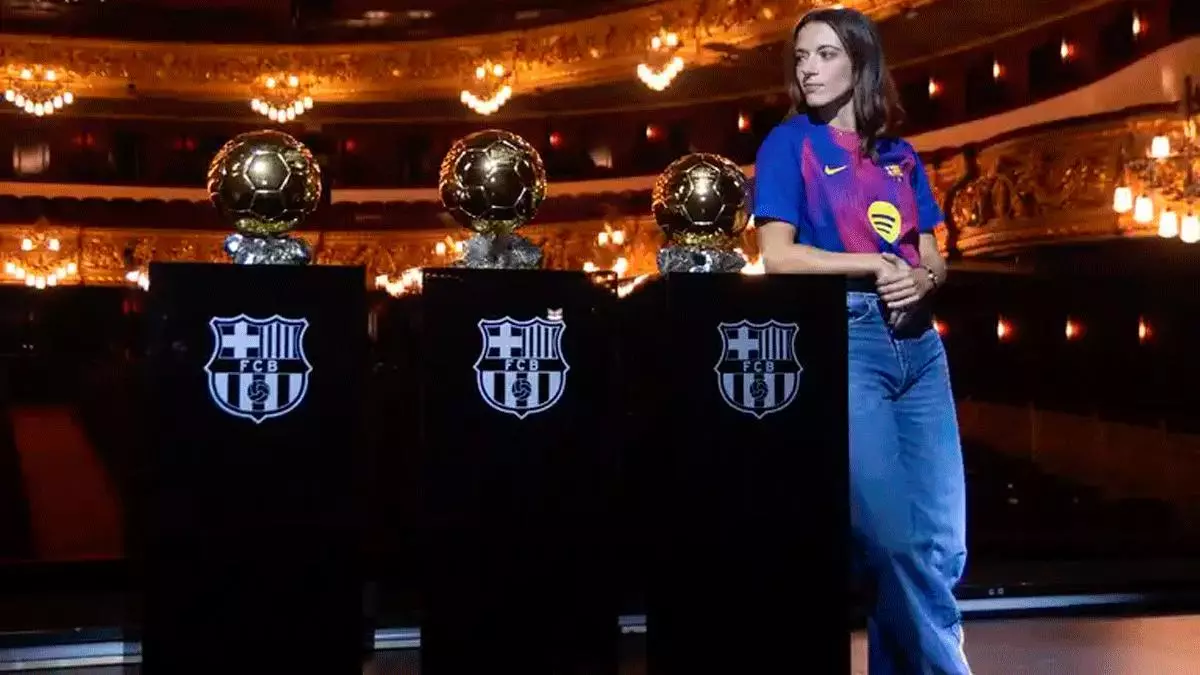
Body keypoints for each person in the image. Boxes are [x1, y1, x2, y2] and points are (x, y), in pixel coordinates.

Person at [751, 7, 971, 675]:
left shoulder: (900, 156)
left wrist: (923, 276)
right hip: (849, 340)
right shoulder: (789, 144)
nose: (808, 69)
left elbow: (933, 255)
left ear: (860, 63)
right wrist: (875, 265)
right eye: (800, 57)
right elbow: (777, 256)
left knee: (942, 548)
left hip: (921, 347)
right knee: (894, 542)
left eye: (824, 54)